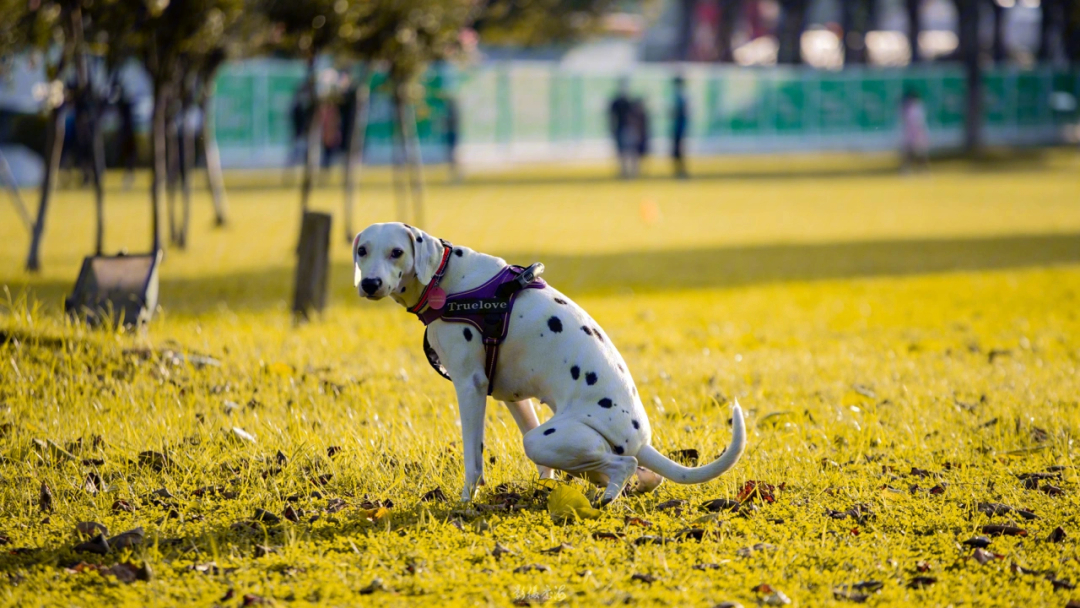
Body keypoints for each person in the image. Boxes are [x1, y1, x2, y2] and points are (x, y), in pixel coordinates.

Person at [608, 79, 634, 178]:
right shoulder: (625, 101)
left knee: (627, 151)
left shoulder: (626, 101)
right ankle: (626, 172)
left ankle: (628, 172)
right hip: (623, 128)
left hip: (626, 128)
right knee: (624, 152)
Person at [900, 88, 929, 173]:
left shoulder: (917, 107)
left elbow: (919, 121)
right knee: (909, 152)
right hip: (910, 132)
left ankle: (923, 169)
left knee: (921, 152)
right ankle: (906, 169)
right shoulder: (907, 107)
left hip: (918, 132)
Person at [671, 75, 689, 179]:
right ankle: (679, 171)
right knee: (678, 151)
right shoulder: (682, 95)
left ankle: (681, 172)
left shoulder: (680, 96)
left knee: (679, 151)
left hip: (679, 128)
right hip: (679, 128)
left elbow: (679, 112)